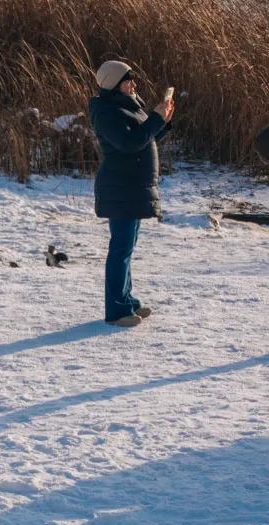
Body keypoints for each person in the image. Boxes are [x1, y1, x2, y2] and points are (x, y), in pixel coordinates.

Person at [89, 60, 176, 328]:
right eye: (128, 80)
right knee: (120, 248)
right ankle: (116, 310)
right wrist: (155, 119)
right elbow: (129, 144)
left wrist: (163, 122)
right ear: (115, 84)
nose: (134, 84)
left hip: (130, 187)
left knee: (126, 247)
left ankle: (126, 299)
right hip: (120, 188)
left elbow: (143, 140)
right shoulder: (107, 113)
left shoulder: (127, 106)